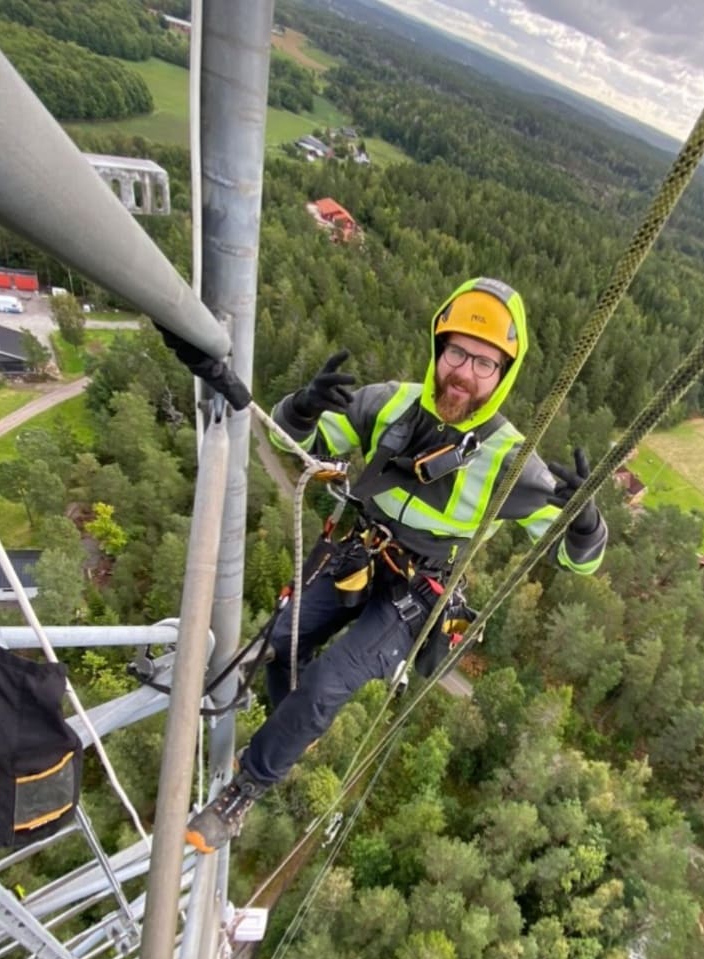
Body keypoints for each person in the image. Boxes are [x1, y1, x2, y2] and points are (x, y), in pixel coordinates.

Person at [185, 277, 608, 853]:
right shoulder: (389, 404)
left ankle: (246, 789)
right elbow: (293, 441)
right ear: (439, 350)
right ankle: (292, 726)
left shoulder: (512, 464)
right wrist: (302, 407)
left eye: (485, 363)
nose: (464, 371)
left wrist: (584, 524)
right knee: (281, 642)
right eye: (457, 352)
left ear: (503, 373)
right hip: (358, 551)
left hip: (411, 595)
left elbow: (575, 561)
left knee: (326, 686)